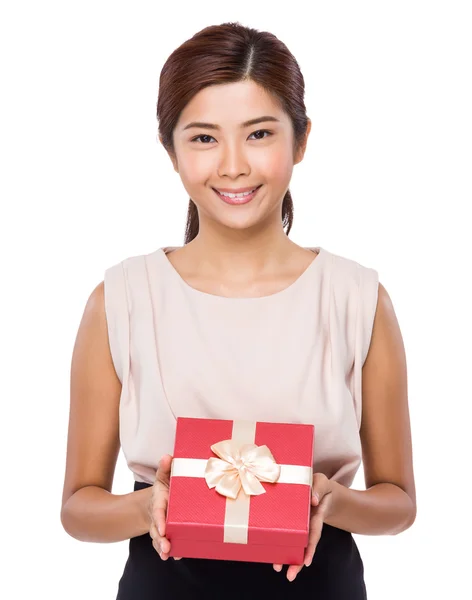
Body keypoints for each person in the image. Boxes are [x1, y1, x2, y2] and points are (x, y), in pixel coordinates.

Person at [60, 21, 416, 599]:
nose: (232, 166)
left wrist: (332, 499)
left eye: (258, 134)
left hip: (318, 585)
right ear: (170, 151)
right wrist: (150, 505)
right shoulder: (122, 299)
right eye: (203, 138)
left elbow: (398, 502)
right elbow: (78, 507)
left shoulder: (357, 299)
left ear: (300, 141)